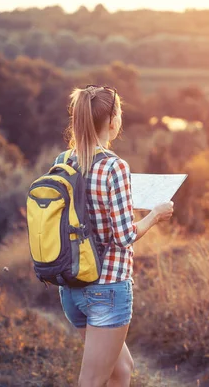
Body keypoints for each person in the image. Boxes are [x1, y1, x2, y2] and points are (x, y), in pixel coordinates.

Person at [56, 85, 173, 387]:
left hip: (71, 288)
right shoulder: (114, 166)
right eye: (119, 111)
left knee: (122, 369)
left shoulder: (63, 160)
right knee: (92, 380)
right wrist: (155, 214)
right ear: (112, 121)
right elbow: (124, 236)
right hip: (106, 288)